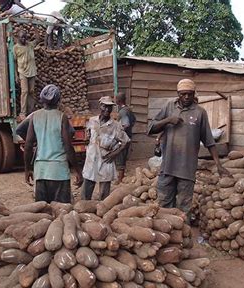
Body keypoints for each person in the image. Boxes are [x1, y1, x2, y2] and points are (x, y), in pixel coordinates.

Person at [148, 79, 229, 217]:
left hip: (187, 169)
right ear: (178, 94)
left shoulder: (200, 112)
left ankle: (182, 237)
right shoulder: (169, 107)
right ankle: (167, 236)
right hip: (168, 166)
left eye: (189, 94)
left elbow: (209, 141)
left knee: (183, 209)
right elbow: (151, 128)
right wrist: (168, 120)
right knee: (163, 206)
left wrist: (219, 164)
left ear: (194, 94)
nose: (186, 97)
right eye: (183, 94)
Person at [24, 85, 83, 203]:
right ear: (58, 100)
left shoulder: (35, 117)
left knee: (44, 213)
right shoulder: (62, 117)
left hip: (41, 172)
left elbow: (28, 145)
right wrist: (77, 170)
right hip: (59, 172)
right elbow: (68, 146)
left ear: (42, 100)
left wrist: (27, 169)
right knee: (62, 213)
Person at [82, 96, 130, 200]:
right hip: (91, 158)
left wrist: (115, 153)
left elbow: (125, 142)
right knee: (86, 190)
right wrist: (87, 139)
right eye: (105, 106)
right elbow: (88, 135)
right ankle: (83, 209)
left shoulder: (115, 125)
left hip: (105, 159)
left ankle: (102, 212)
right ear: (100, 106)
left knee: (104, 195)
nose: (107, 109)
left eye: (110, 107)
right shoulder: (92, 121)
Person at [13, 30, 38, 121]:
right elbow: (15, 62)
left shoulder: (30, 45)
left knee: (31, 91)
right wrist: (16, 75)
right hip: (22, 72)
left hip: (32, 72)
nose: (24, 39)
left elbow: (38, 39)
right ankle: (22, 112)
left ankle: (31, 111)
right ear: (18, 38)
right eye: (22, 37)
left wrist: (35, 28)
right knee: (24, 91)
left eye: (25, 37)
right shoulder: (16, 48)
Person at [115, 92, 136, 183]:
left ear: (118, 100)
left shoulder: (123, 111)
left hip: (123, 138)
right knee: (122, 157)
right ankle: (121, 177)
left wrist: (120, 131)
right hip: (128, 136)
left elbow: (126, 124)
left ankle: (120, 179)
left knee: (120, 157)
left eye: (116, 99)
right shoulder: (128, 109)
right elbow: (134, 120)